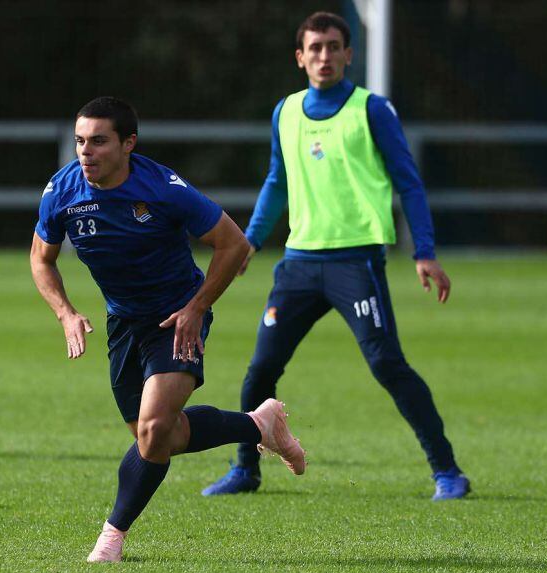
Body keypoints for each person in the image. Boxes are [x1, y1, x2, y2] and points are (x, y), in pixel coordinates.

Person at [201, 12, 470, 500]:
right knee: (261, 370)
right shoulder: (285, 111)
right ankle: (246, 468)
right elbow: (276, 182)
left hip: (356, 264)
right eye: (315, 48)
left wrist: (424, 252)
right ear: (300, 57)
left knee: (388, 365)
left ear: (349, 54)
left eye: (333, 47)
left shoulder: (373, 110)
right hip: (299, 265)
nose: (324, 56)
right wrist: (251, 242)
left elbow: (408, 181)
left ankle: (447, 472)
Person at [30, 97, 307, 563]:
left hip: (176, 318)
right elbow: (41, 258)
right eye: (80, 141)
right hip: (123, 323)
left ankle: (110, 539)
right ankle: (259, 424)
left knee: (155, 431)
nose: (85, 152)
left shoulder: (162, 189)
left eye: (98, 141)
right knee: (159, 437)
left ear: (128, 144)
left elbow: (233, 244)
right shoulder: (62, 191)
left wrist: (198, 307)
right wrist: (66, 312)